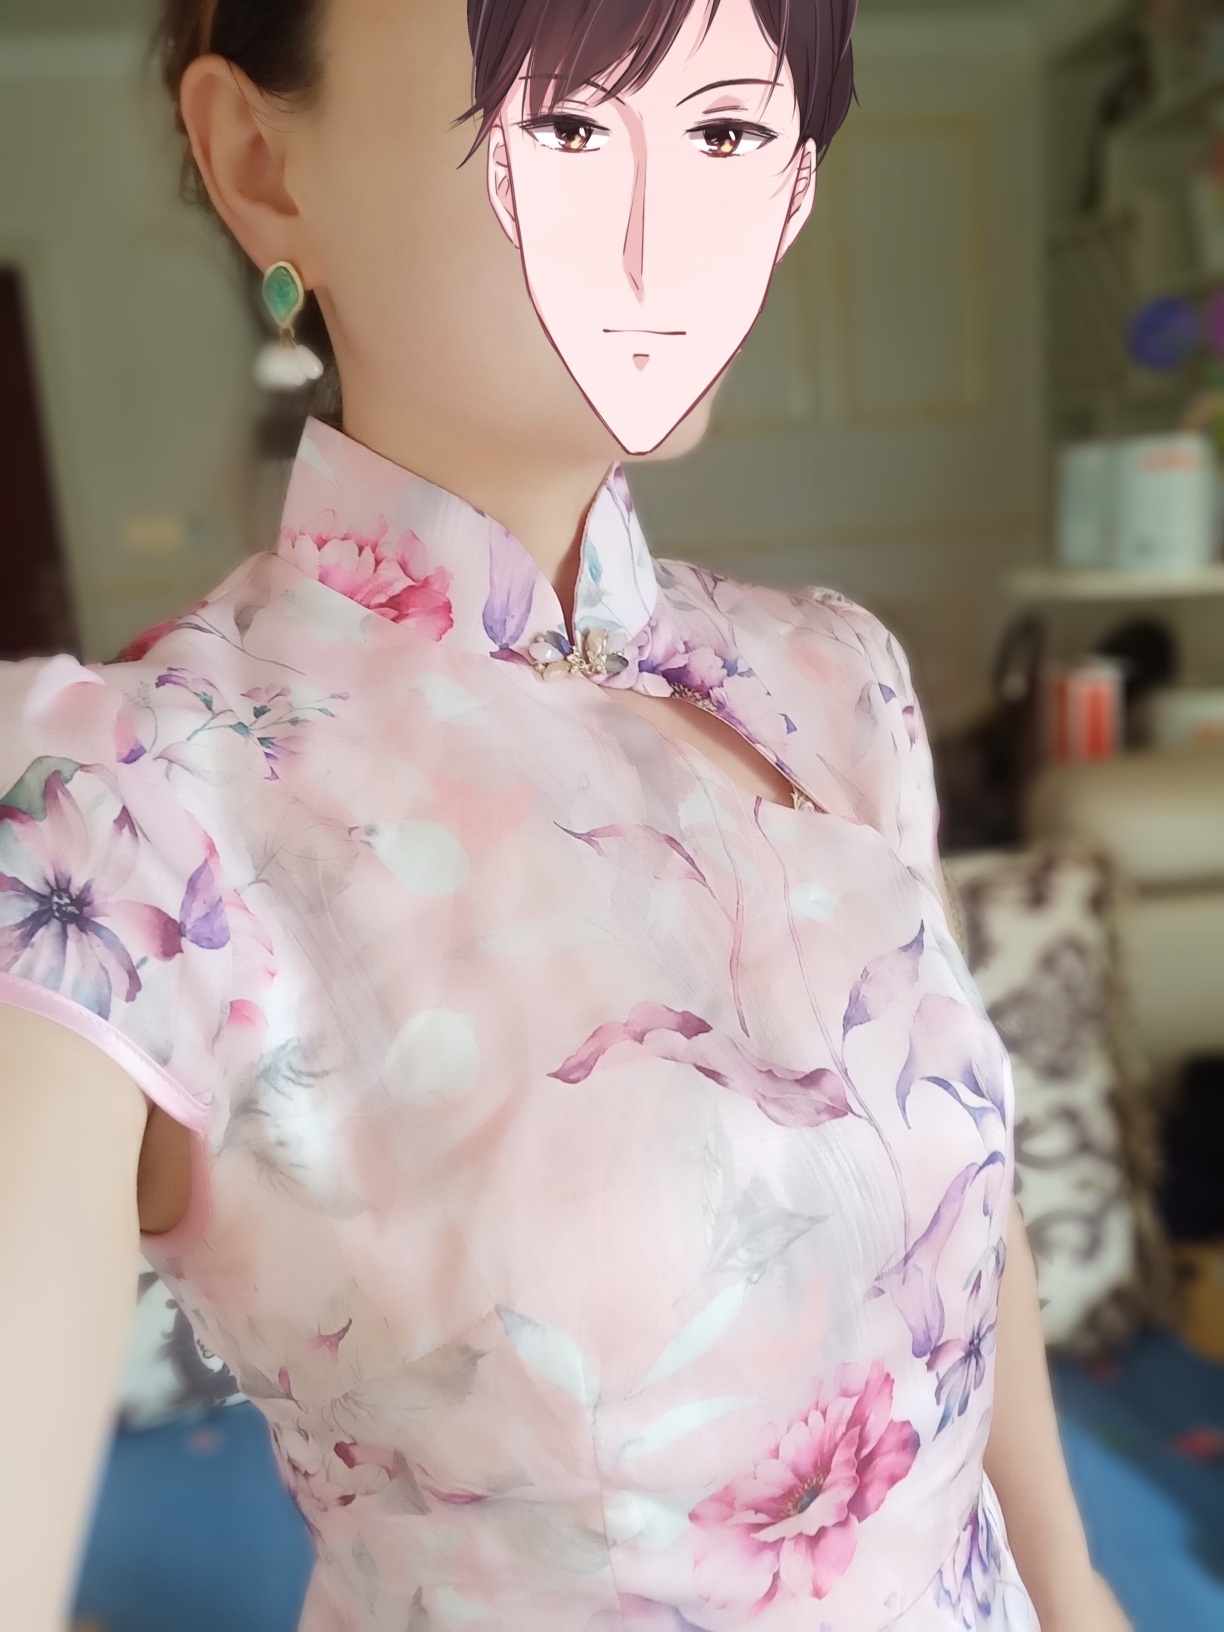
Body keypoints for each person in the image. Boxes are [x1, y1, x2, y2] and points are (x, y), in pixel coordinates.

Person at [0, 2, 1133, 1629]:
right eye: (576, 120)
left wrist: (1078, 1588)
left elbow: (961, 1207)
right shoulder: (131, 810)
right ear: (260, 162)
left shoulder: (835, 685)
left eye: (729, 128)